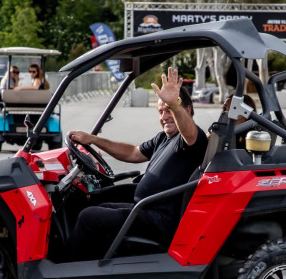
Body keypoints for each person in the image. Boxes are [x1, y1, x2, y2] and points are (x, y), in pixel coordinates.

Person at [64, 66, 206, 261]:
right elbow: (132, 152)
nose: (164, 117)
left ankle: (67, 268)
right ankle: (88, 260)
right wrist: (93, 139)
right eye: (160, 111)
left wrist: (174, 103)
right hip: (144, 208)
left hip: (158, 220)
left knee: (88, 217)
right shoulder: (164, 138)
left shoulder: (190, 140)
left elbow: (189, 133)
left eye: (169, 110)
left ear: (187, 109)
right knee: (91, 203)